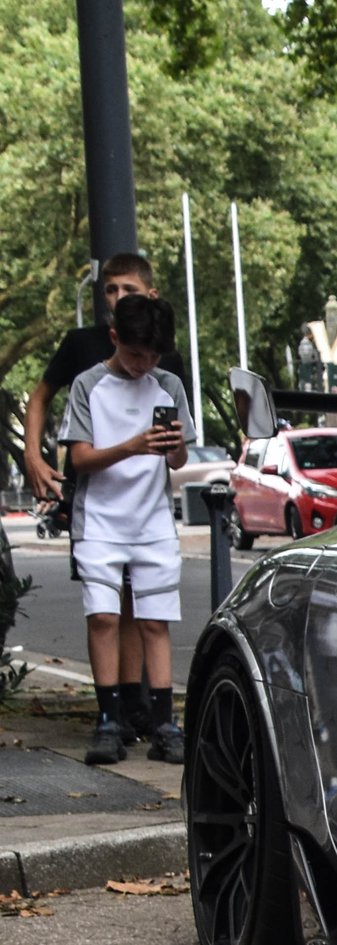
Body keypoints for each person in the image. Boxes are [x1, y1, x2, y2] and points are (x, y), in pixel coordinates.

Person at [23, 253, 173, 740]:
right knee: (106, 607)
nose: (116, 298)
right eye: (109, 290)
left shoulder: (159, 356)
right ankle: (113, 710)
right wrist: (33, 455)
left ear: (149, 294)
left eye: (126, 289)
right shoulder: (83, 351)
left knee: (142, 606)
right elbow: (41, 394)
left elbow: (176, 437)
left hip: (146, 510)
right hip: (98, 503)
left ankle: (138, 706)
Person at [62, 292, 192, 766]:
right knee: (104, 617)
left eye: (154, 355)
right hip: (99, 517)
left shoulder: (169, 386)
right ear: (115, 338)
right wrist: (132, 445)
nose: (145, 364)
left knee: (156, 619)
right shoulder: (88, 386)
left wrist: (172, 447)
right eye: (137, 353)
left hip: (152, 517)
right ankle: (108, 721)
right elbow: (79, 459)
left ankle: (164, 724)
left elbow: (178, 458)